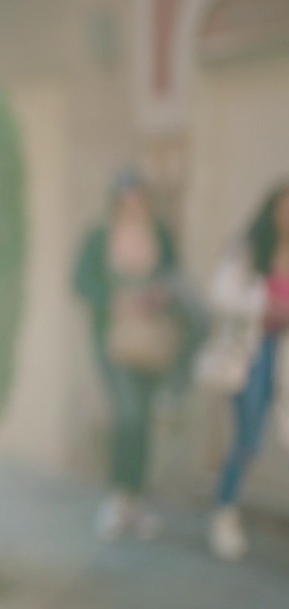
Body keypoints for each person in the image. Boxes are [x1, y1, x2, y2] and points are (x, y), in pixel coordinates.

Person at [73, 170, 197, 541]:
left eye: (137, 197)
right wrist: (115, 298)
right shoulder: (99, 237)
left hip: (152, 341)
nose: (133, 205)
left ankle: (134, 502)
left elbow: (175, 276)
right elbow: (81, 282)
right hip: (114, 342)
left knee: (142, 419)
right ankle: (117, 499)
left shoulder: (158, 235)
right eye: (126, 198)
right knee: (128, 416)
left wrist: (159, 294)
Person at [204, 181, 289, 561]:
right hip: (251, 353)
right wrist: (262, 307)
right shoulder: (250, 248)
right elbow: (219, 294)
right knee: (248, 438)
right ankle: (224, 512)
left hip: (283, 354)